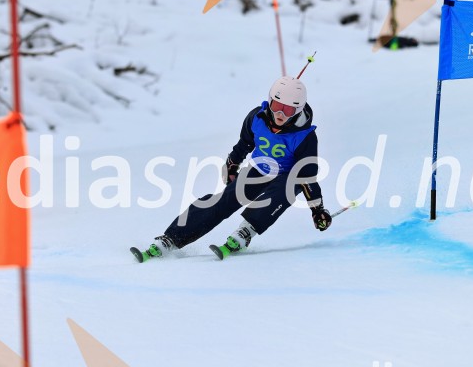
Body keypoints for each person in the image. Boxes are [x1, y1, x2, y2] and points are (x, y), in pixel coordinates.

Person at [131, 76, 332, 262]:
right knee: (224, 201)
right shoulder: (256, 118)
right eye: (277, 105)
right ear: (269, 100)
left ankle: (246, 231)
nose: (280, 114)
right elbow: (244, 143)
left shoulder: (305, 136)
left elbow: (306, 175)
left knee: (279, 193)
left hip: (290, 176)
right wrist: (232, 165)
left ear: (297, 110)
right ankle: (171, 238)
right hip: (261, 169)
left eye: (288, 110)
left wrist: (317, 209)